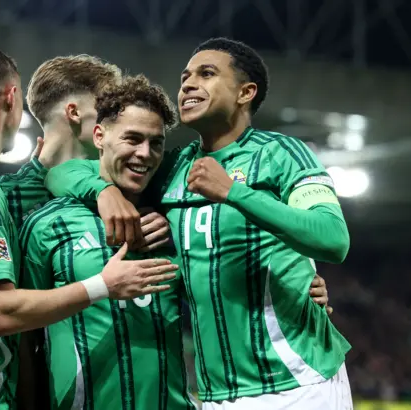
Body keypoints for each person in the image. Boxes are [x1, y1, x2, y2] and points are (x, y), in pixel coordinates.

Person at [45, 37, 353, 410]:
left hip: (299, 381)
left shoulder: (283, 154)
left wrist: (234, 193)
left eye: (206, 74)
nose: (188, 84)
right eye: (185, 77)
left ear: (246, 92)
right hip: (215, 396)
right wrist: (102, 192)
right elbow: (59, 175)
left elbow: (333, 239)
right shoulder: (172, 167)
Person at [0, 46, 178, 410]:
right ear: (76, 114)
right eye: (105, 109)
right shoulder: (2, 198)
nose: (118, 118)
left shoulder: (136, 194)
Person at [20, 75, 196, 409]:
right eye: (132, 139)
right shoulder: (47, 225)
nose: (144, 154)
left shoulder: (173, 220)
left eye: (155, 142)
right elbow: (25, 337)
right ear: (99, 136)